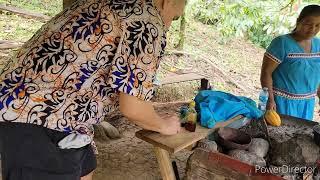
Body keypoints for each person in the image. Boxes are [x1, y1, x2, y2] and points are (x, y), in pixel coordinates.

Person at [0, 0, 185, 179]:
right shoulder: (148, 21)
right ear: (167, 1)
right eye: (174, 18)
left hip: (42, 108)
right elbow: (133, 107)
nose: (168, 25)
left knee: (86, 167)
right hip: (40, 114)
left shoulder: (112, 4)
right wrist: (164, 125)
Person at [260, 5, 320, 121]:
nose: (312, 29)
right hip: (281, 103)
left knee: (299, 135)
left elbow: (317, 77)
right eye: (308, 24)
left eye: (317, 25)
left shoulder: (319, 45)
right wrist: (270, 100)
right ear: (299, 21)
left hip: (307, 104)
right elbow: (266, 73)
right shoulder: (282, 43)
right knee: (278, 135)